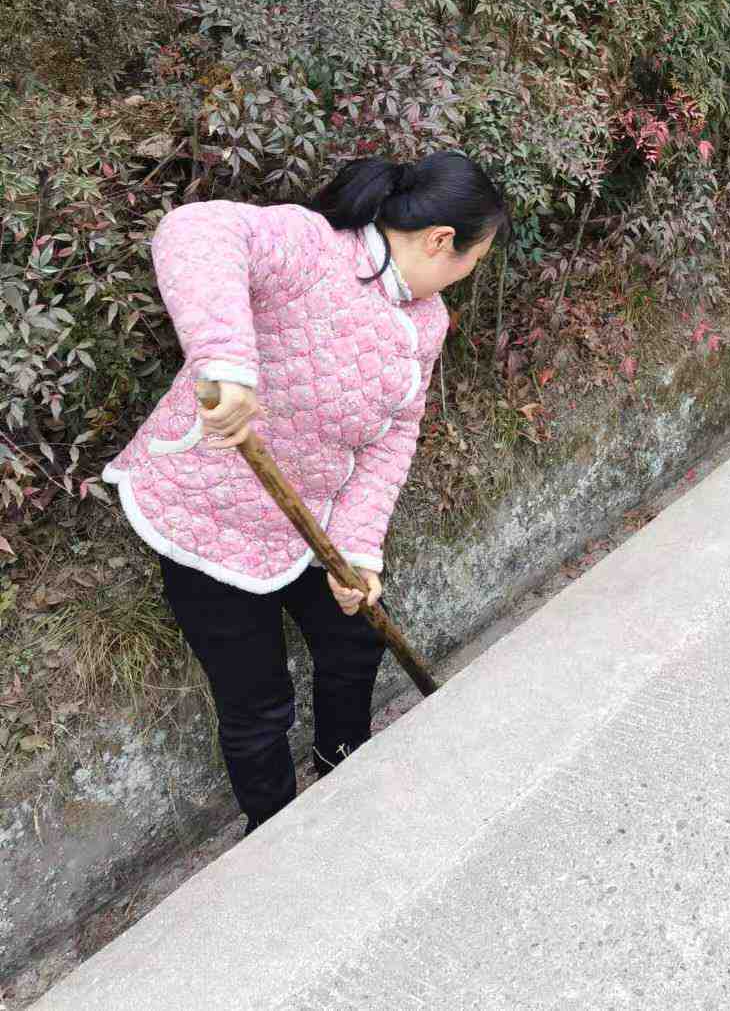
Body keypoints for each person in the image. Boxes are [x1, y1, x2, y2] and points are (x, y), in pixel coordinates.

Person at [104, 151, 509, 832]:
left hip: (308, 521)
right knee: (257, 701)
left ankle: (342, 765)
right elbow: (196, 231)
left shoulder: (425, 321)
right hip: (210, 516)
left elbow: (393, 437)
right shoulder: (313, 246)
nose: (471, 272)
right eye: (476, 258)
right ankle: (279, 833)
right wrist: (226, 362)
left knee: (355, 639)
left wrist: (359, 550)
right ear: (443, 241)